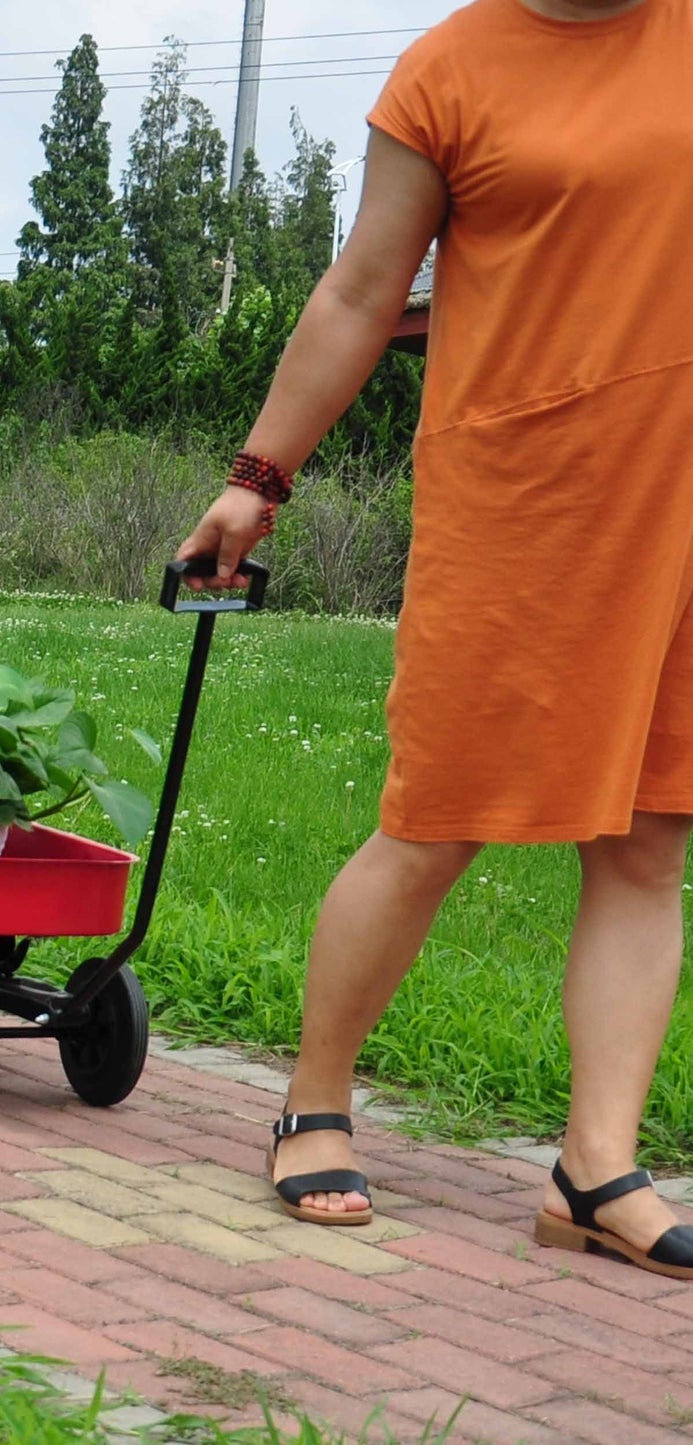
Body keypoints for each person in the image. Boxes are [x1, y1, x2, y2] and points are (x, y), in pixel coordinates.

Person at [177, 0, 693, 1280]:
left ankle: (594, 1167)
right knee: (432, 818)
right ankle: (312, 1102)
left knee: (644, 838)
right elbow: (361, 290)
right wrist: (259, 473)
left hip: (677, 499)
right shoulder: (448, 71)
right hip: (519, 500)